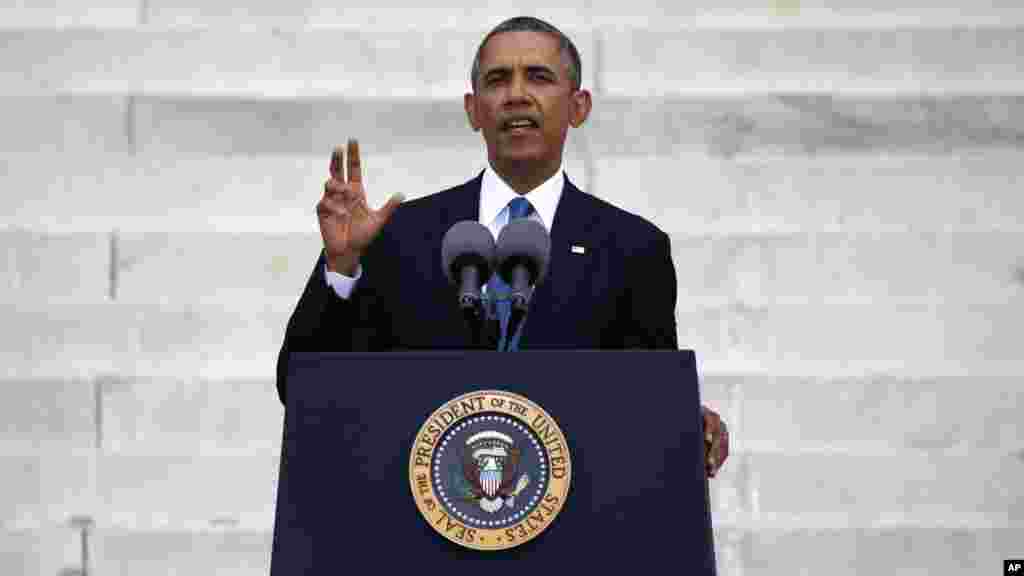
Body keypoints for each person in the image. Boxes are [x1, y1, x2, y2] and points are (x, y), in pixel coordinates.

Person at [277, 16, 729, 478]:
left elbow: (647, 402)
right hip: (417, 525)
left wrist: (684, 424)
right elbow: (302, 388)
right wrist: (342, 265)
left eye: (538, 77)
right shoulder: (399, 235)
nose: (516, 94)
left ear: (578, 106)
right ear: (474, 110)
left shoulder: (633, 249)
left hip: (575, 531)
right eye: (497, 80)